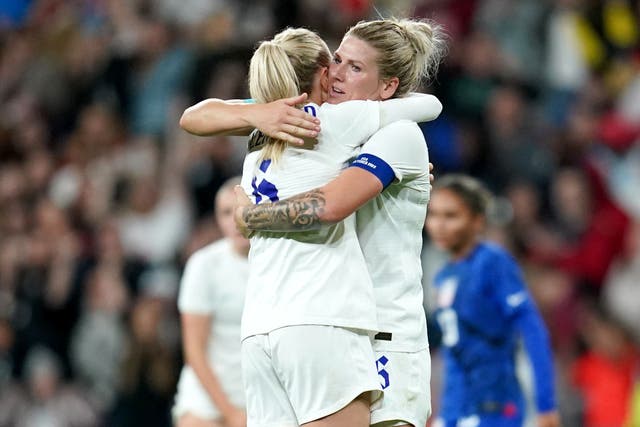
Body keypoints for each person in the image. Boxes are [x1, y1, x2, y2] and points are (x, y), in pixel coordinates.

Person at [181, 26, 443, 427]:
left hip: (384, 333)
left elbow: (332, 202)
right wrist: (257, 112)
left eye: (354, 67)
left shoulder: (397, 134)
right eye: (336, 59)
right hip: (331, 323)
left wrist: (250, 217)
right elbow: (196, 115)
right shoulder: (307, 121)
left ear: (388, 86)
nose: (336, 74)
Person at [424, 174, 560, 427]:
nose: (439, 225)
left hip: (496, 408)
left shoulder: (493, 262)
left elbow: (532, 329)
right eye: (434, 214)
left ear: (477, 221)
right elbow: (455, 353)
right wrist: (446, 416)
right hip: (462, 409)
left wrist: (546, 404)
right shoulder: (443, 277)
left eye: (451, 216)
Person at [172, 177, 249, 427]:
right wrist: (231, 413)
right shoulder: (203, 265)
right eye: (226, 213)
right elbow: (194, 351)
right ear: (217, 220)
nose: (235, 220)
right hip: (206, 402)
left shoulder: (279, 261)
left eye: (241, 208)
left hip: (261, 398)